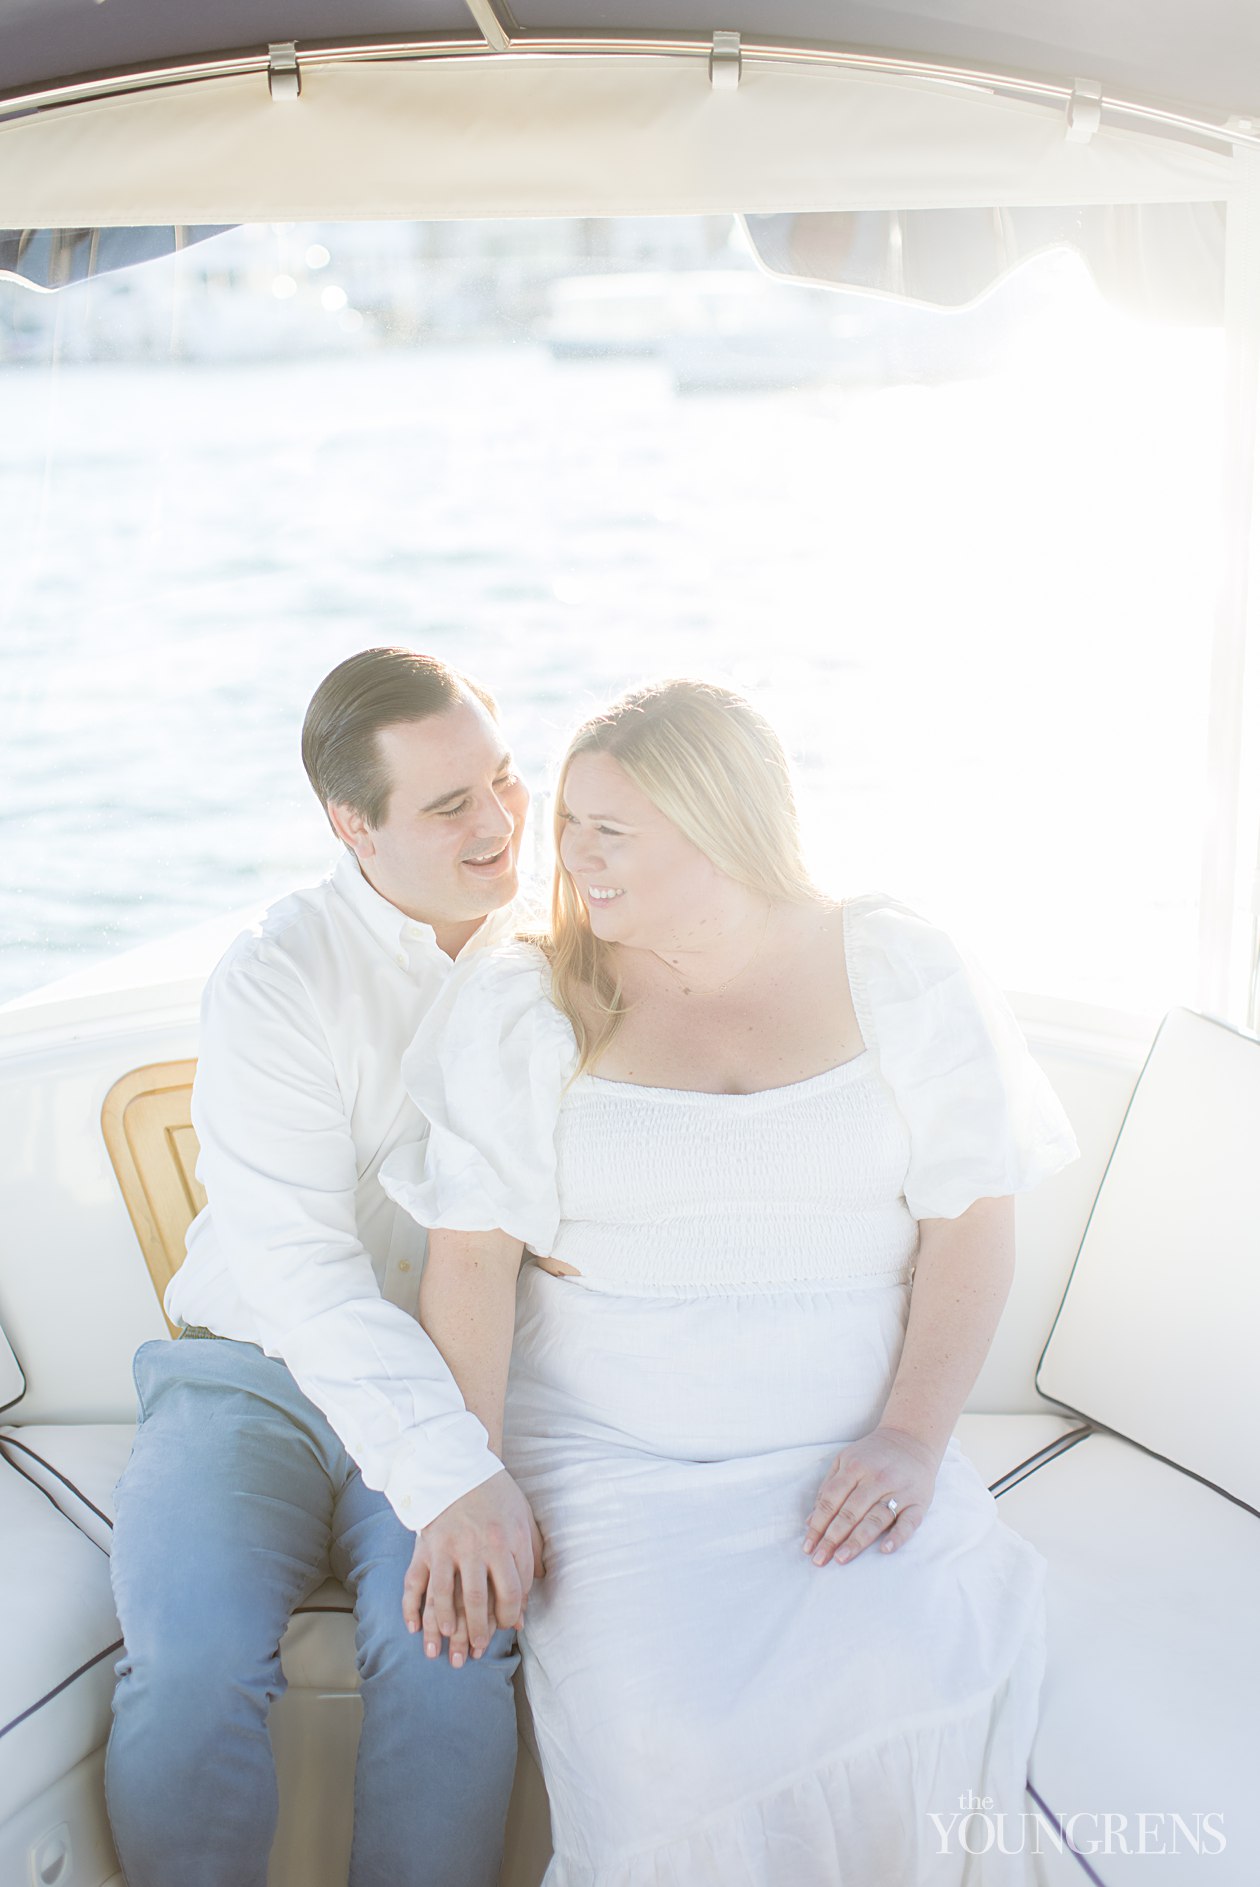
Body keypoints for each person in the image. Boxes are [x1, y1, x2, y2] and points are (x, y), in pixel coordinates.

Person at [380, 675, 1082, 1885]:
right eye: (572, 825)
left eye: (615, 831)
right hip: (614, 1467)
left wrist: (912, 1441)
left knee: (915, 1675)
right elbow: (475, 1260)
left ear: (722, 826)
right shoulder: (532, 995)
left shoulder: (898, 967)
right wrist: (468, 1476)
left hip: (852, 1451)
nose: (573, 857)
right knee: (672, 1745)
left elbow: (972, 1225)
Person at [106, 647, 544, 1887]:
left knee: (455, 1647)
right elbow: (299, 1270)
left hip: (466, 1368)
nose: (500, 824)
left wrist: (465, 1443)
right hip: (253, 1375)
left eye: (506, 782)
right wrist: (454, 1472)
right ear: (351, 826)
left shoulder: (559, 947)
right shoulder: (277, 972)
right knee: (189, 1660)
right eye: (450, 804)